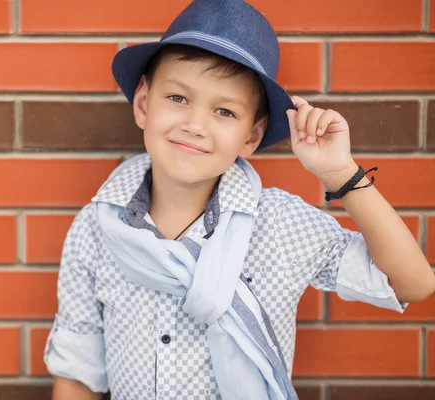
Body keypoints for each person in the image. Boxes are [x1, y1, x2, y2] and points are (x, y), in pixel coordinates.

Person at [43, 1, 435, 399]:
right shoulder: (98, 226)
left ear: (252, 136)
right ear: (144, 104)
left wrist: (340, 174)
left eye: (224, 111)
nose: (195, 125)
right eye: (178, 98)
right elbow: (78, 374)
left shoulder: (281, 224)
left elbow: (412, 284)